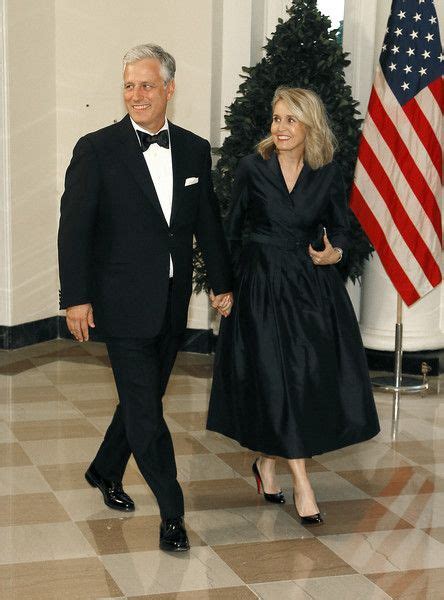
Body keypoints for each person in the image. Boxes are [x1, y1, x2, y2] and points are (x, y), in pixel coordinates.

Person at [58, 44, 233, 552]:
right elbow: (74, 231)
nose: (136, 94)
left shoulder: (195, 150)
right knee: (147, 412)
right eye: (129, 85)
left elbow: (208, 225)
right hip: (120, 301)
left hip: (172, 301)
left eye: (147, 85)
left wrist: (223, 283)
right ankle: (172, 512)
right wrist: (77, 298)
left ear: (169, 90)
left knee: (141, 401)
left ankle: (105, 469)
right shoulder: (96, 148)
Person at [207, 86, 380, 524]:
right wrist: (223, 286)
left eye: (290, 120)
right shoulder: (252, 168)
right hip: (259, 287)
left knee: (299, 382)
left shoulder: (327, 173)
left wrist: (333, 254)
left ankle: (268, 462)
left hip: (309, 291)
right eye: (276, 118)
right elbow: (231, 231)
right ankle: (303, 483)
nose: (280, 128)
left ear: (309, 125)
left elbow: (342, 229)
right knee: (273, 378)